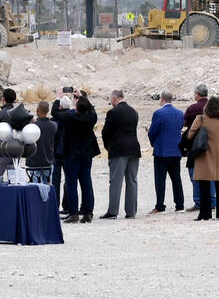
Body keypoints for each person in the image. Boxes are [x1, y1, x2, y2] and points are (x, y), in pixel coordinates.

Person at [55, 93, 99, 223]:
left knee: (71, 184)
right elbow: (92, 110)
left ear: (77, 108)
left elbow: (55, 112)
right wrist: (83, 97)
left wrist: (58, 98)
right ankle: (88, 213)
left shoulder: (70, 117)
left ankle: (73, 213)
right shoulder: (91, 118)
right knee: (86, 184)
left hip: (71, 155)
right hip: (86, 155)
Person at [100, 90, 140, 219]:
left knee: (116, 181)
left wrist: (108, 147)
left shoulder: (113, 112)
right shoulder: (134, 111)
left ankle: (113, 211)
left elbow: (106, 132)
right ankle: (131, 211)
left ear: (114, 98)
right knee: (132, 180)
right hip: (134, 148)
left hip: (118, 149)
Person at [147, 90, 184, 214]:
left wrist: (154, 144)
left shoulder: (159, 113)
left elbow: (152, 132)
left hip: (162, 150)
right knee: (176, 178)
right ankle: (179, 204)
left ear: (162, 99)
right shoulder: (180, 113)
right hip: (176, 149)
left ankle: (160, 205)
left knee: (160, 179)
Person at [182, 84, 211, 211]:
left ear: (197, 94)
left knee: (195, 173)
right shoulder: (214, 106)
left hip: (195, 144)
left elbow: (185, 125)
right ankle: (212, 200)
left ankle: (198, 201)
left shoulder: (193, 108)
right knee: (211, 174)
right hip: (212, 144)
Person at [25, 101, 57, 185]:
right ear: (48, 111)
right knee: (48, 188)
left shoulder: (33, 127)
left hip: (34, 163)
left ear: (37, 110)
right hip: (48, 162)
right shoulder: (54, 125)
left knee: (35, 189)